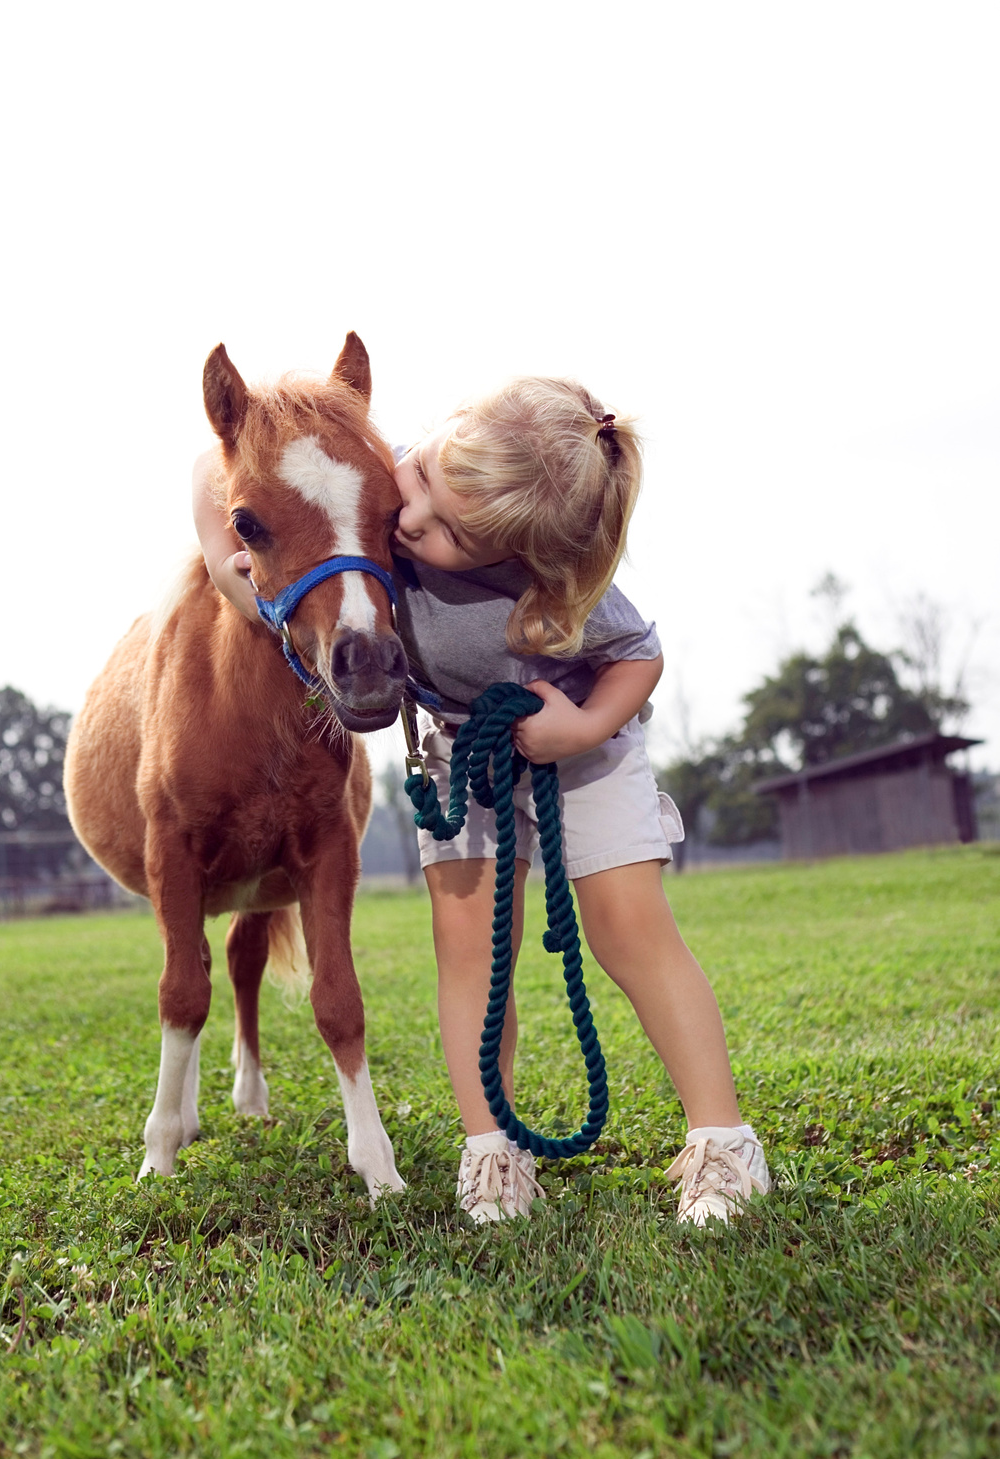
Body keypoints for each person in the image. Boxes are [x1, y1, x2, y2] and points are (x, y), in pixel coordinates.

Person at [194, 375, 770, 1228]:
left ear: (511, 550)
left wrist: (581, 728)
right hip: (458, 752)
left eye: (452, 532)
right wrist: (228, 548)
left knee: (632, 934)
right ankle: (492, 1151)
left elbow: (638, 657)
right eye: (420, 477)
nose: (414, 518)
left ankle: (724, 1146)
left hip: (580, 749)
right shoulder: (379, 503)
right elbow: (223, 471)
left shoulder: (547, 572)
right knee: (469, 954)